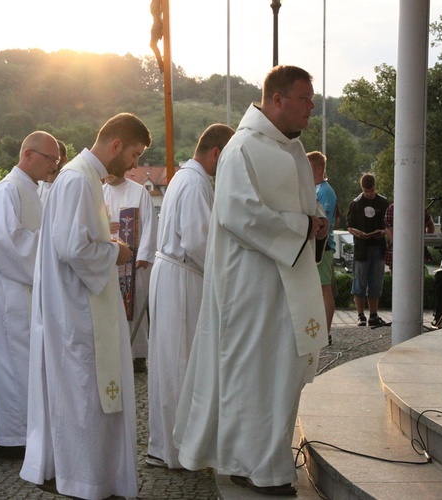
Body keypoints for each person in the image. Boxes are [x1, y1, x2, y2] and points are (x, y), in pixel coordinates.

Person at [174, 66, 329, 496]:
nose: (311, 108)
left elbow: (298, 207)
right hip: (252, 285)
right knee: (255, 373)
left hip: (286, 280)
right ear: (276, 99)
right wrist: (301, 226)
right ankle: (248, 464)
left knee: (281, 370)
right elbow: (238, 213)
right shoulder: (241, 147)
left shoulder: (291, 149)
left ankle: (271, 458)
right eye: (304, 99)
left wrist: (313, 222)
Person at [20, 113, 150, 499]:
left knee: (86, 398)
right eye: (134, 153)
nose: (135, 164)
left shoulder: (81, 177)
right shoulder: (78, 180)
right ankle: (86, 482)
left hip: (80, 307)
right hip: (79, 313)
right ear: (115, 145)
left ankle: (93, 477)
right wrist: (117, 251)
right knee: (84, 400)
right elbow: (73, 248)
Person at [146, 123, 234, 469]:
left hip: (172, 274)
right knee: (181, 363)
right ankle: (178, 449)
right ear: (215, 153)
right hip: (183, 277)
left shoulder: (184, 177)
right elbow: (199, 242)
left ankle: (166, 444)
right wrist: (225, 275)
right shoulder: (196, 183)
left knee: (170, 361)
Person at [0, 131, 58, 459]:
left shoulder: (29, 188)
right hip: (13, 294)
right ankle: (12, 438)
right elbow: (1, 241)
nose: (53, 165)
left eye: (55, 160)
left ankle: (24, 434)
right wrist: (48, 251)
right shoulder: (10, 189)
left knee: (23, 366)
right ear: (28, 154)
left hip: (24, 289)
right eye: (49, 158)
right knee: (15, 366)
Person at [102, 156, 157, 373]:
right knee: (114, 308)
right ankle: (116, 354)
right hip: (110, 260)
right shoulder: (99, 193)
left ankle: (139, 356)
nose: (108, 175)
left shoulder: (138, 192)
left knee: (135, 306)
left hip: (135, 263)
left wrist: (145, 254)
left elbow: (150, 223)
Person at [347, 173, 390, 327]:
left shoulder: (383, 202)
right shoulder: (356, 203)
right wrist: (358, 233)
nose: (369, 194)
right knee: (359, 281)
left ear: (374, 188)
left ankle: (373, 314)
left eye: (371, 190)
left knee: (376, 282)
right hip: (362, 249)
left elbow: (388, 224)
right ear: (362, 188)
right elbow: (350, 225)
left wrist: (383, 232)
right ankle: (360, 315)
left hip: (378, 247)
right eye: (366, 191)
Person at [309, 151, 337, 338]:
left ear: (318, 169)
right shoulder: (315, 188)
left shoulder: (325, 191)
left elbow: (325, 221)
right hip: (317, 247)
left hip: (324, 247)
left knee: (324, 287)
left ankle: (325, 333)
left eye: (307, 167)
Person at [384, 203, 435, 272]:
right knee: (398, 273)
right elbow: (388, 228)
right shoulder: (392, 208)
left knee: (417, 272)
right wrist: (395, 243)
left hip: (416, 248)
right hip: (399, 249)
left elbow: (430, 224)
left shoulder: (418, 208)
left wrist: (425, 240)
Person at [37, 139, 68, 207]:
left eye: (55, 159)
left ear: (64, 159)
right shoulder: (36, 185)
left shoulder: (66, 187)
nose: (51, 162)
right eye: (48, 157)